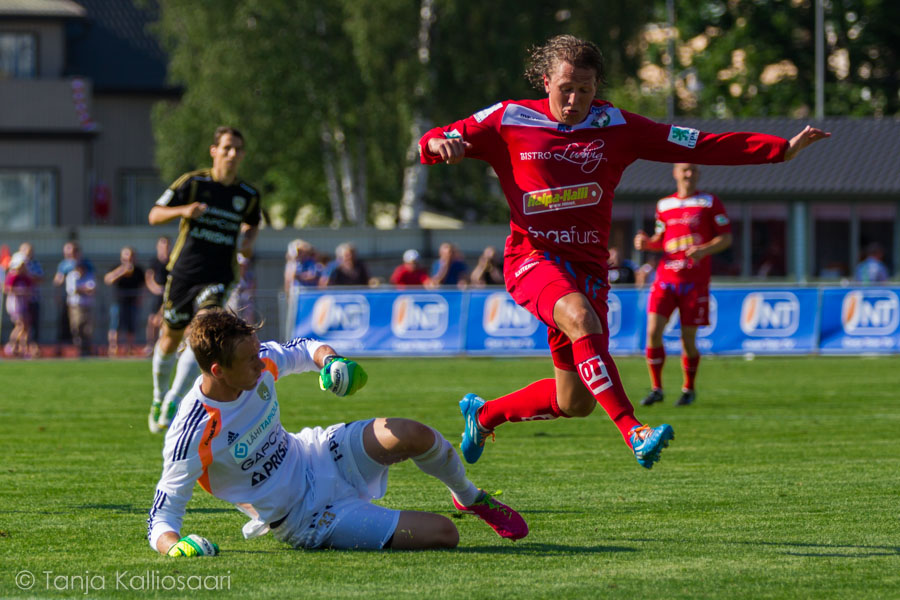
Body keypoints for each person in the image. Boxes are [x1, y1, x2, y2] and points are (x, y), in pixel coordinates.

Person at [418, 34, 829, 469]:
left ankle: (483, 415)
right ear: (545, 81)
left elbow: (697, 143)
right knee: (579, 318)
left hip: (588, 269)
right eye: (565, 88)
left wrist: (778, 151)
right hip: (532, 258)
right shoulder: (509, 117)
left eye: (586, 89)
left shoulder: (617, 126)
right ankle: (635, 431)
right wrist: (439, 144)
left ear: (598, 88)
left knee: (574, 401)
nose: (574, 99)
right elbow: (432, 138)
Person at [146, 310, 527, 556]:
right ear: (217, 371)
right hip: (306, 517)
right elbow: (161, 515)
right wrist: (174, 547)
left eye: (259, 352)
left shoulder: (258, 364)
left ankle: (469, 496)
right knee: (445, 535)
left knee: (414, 434)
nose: (261, 363)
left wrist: (331, 361)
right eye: (250, 361)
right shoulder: (193, 430)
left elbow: (303, 348)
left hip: (319, 453)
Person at [147, 126, 261, 434]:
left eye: (237, 149)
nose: (232, 154)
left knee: (203, 331)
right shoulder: (193, 183)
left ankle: (173, 399)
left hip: (219, 276)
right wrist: (185, 210)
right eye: (226, 148)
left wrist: (248, 241)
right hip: (184, 274)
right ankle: (158, 397)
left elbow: (252, 223)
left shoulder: (247, 195)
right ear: (214, 151)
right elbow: (155, 214)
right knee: (169, 339)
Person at [634, 163, 731, 407]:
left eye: (694, 170)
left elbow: (726, 238)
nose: (689, 174)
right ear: (675, 173)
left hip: (694, 282)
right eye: (685, 170)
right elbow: (661, 240)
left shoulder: (709, 202)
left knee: (688, 339)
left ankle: (688, 389)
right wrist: (645, 243)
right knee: (653, 332)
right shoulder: (664, 205)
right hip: (665, 279)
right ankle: (656, 388)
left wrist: (704, 250)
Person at [104, 246, 146, 357]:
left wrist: (140, 298)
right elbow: (108, 280)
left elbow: (143, 286)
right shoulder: (117, 268)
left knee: (131, 326)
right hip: (118, 302)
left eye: (131, 256)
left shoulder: (138, 270)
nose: (129, 259)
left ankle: (129, 348)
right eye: (127, 256)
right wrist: (121, 271)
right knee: (115, 325)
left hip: (132, 302)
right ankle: (114, 348)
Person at [53, 241, 92, 353]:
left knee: (85, 325)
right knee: (69, 325)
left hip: (83, 300)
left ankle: (85, 348)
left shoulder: (85, 263)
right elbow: (57, 280)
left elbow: (91, 279)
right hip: (68, 299)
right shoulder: (64, 264)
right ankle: (66, 348)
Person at [3, 253, 34, 357]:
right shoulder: (13, 276)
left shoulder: (25, 277)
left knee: (25, 327)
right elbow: (7, 289)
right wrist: (21, 292)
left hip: (24, 303)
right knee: (21, 325)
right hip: (15, 304)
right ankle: (12, 345)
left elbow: (30, 289)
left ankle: (23, 348)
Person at [144, 236, 171, 356]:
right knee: (152, 320)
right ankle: (151, 345)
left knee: (166, 321)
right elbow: (149, 278)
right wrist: (156, 289)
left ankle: (165, 345)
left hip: (170, 296)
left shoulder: (172, 261)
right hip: (157, 295)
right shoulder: (154, 261)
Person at [65, 259, 96, 357]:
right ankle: (79, 347)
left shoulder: (89, 275)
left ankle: (87, 348)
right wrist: (84, 289)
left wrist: (81, 289)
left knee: (87, 328)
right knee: (76, 326)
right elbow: (73, 290)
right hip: (75, 306)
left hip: (87, 305)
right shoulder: (72, 276)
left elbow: (92, 289)